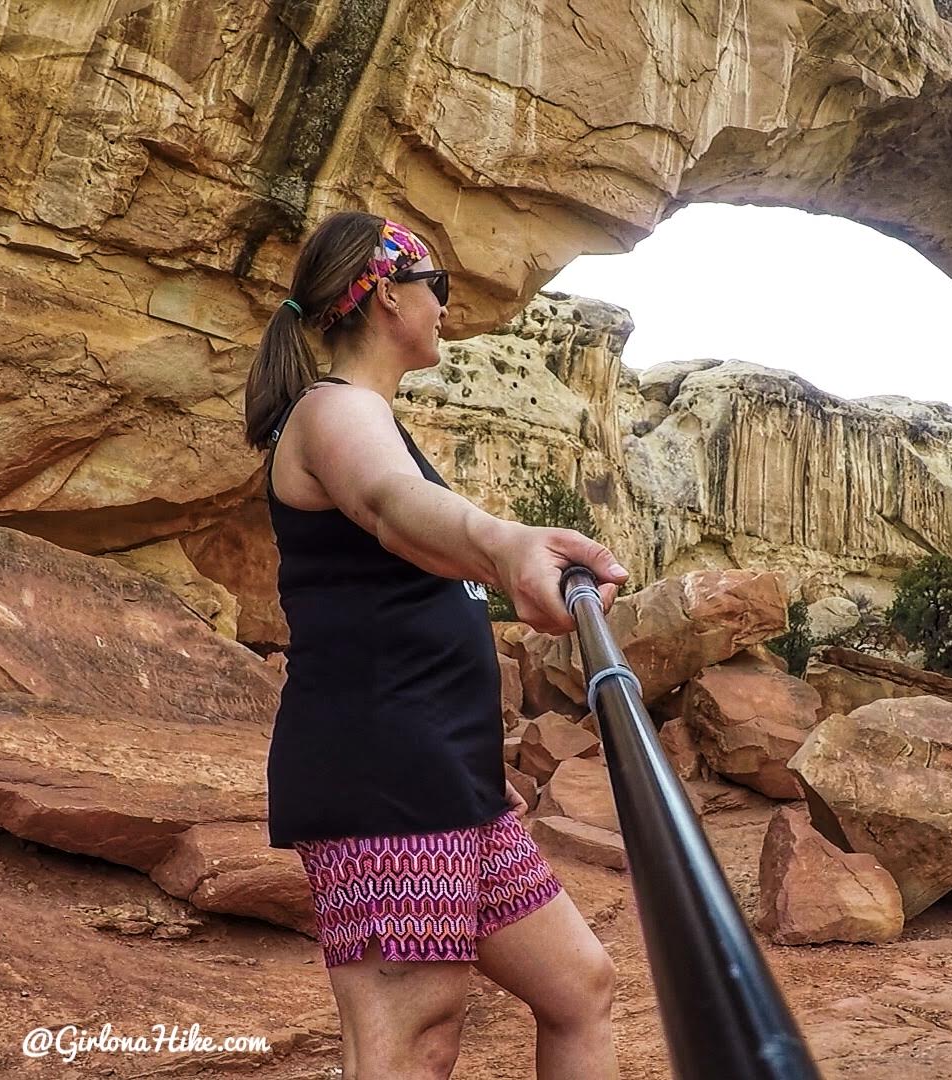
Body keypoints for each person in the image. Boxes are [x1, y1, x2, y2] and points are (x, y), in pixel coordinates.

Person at [242, 211, 627, 1080]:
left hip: (446, 781)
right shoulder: (334, 411)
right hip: (384, 776)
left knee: (580, 988)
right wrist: (506, 546)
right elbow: (388, 503)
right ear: (384, 294)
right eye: (437, 288)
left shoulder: (368, 416)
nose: (447, 308)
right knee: (414, 1040)